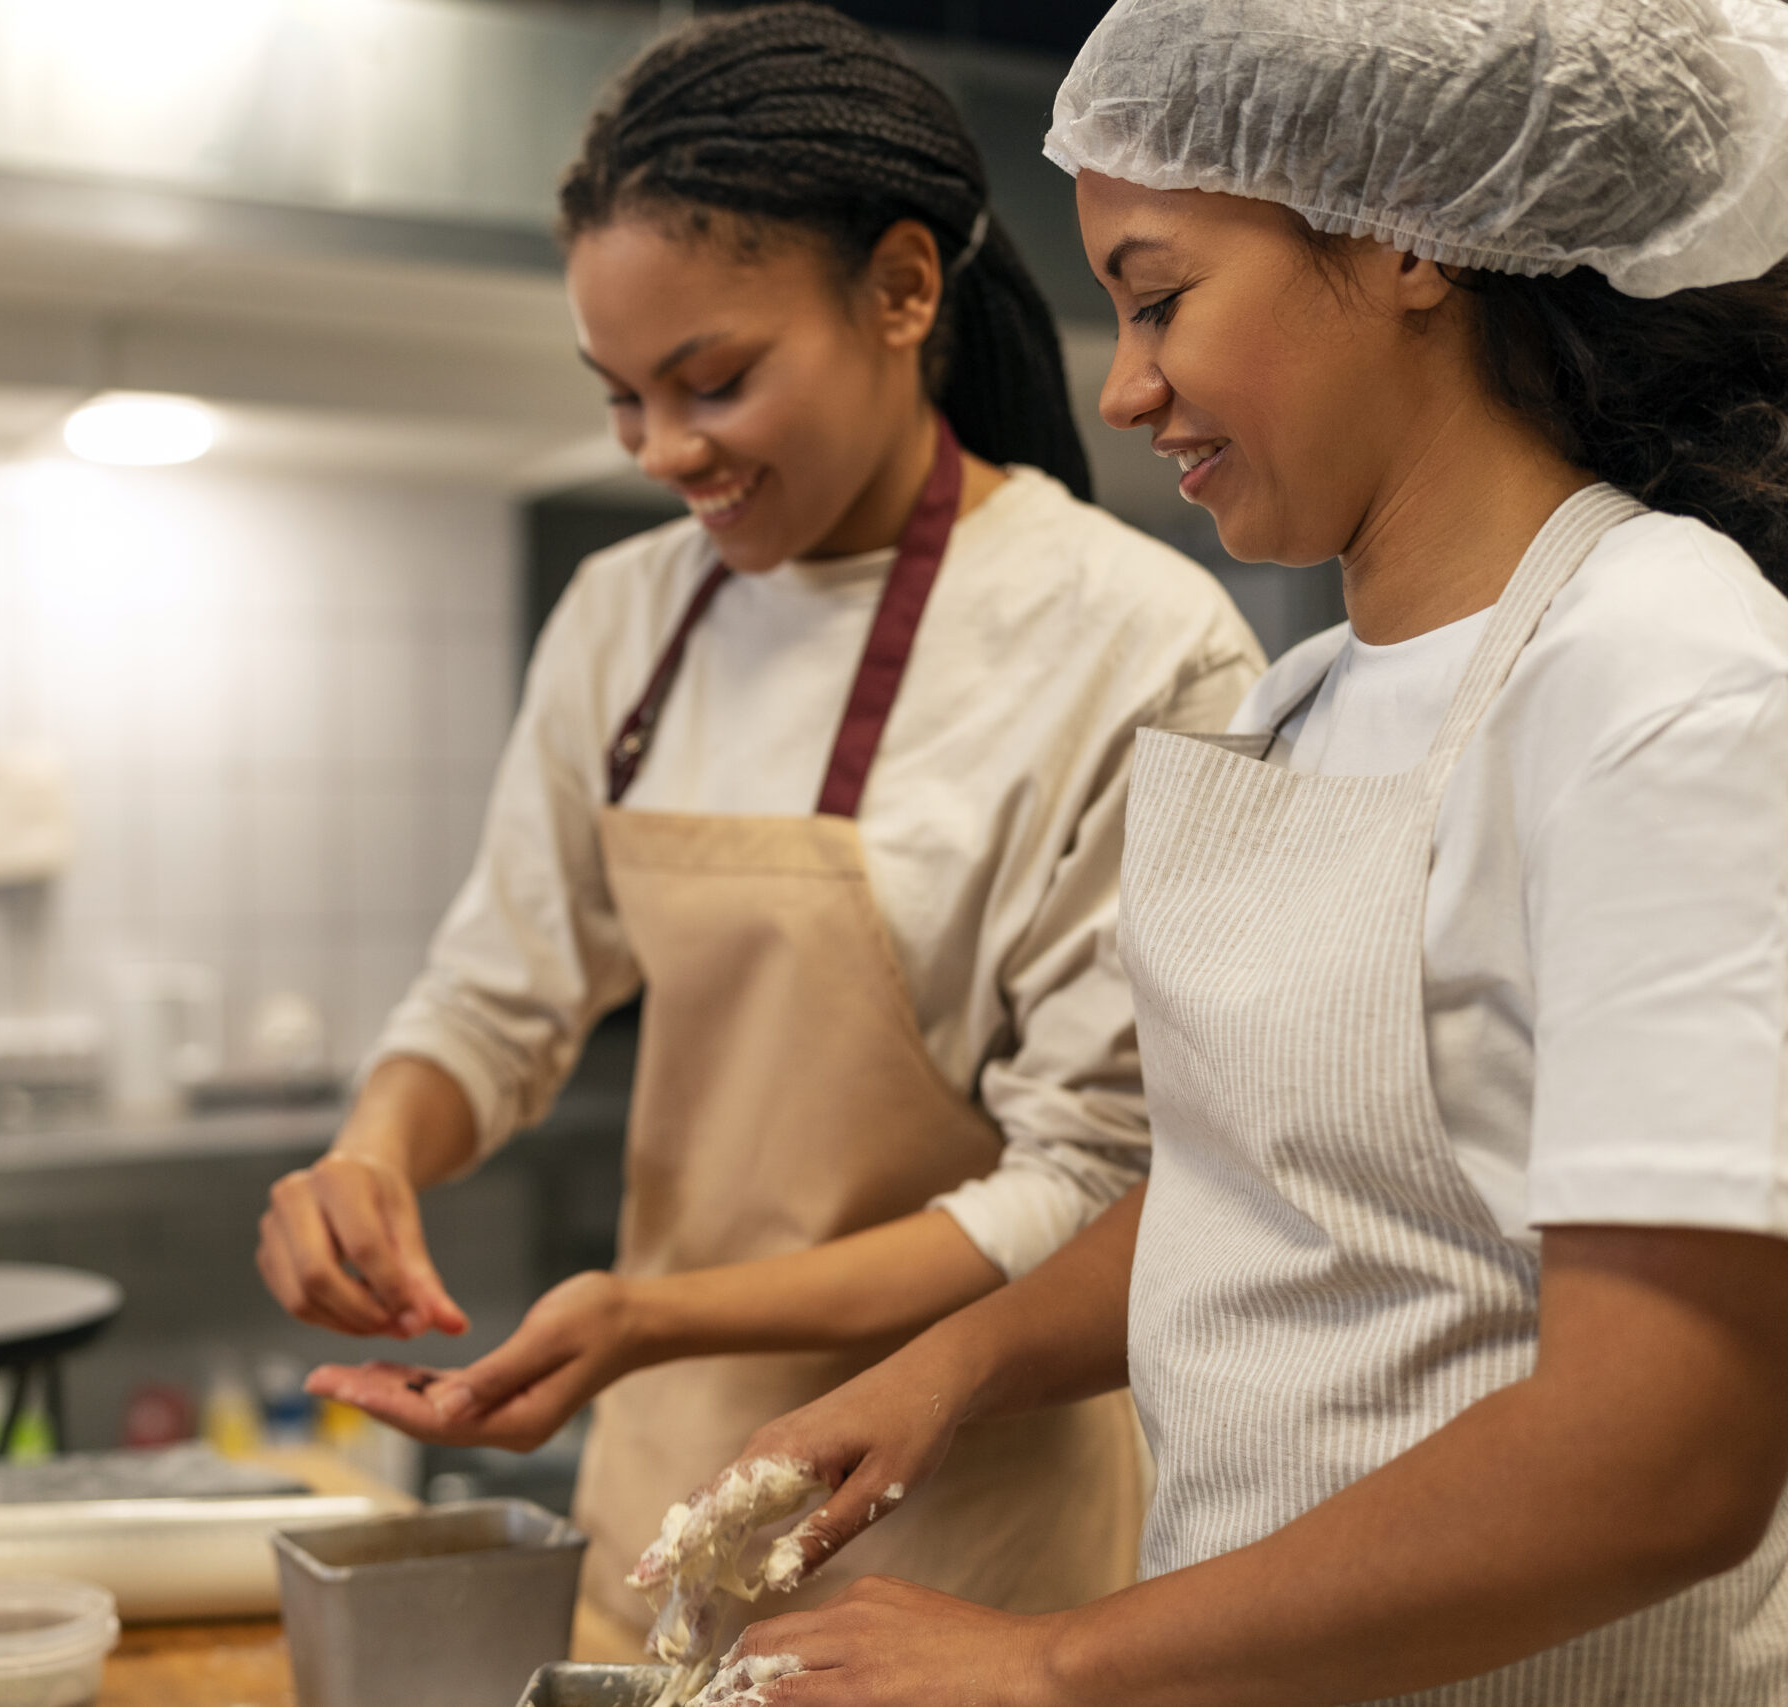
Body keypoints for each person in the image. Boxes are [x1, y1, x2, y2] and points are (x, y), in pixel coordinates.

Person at [683, 0, 1788, 1701]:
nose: (1123, 387)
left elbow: (1668, 1455)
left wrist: (1054, 1664)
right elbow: (1266, 1184)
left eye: (1160, 296)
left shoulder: (1660, 680)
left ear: (1407, 238)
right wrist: (955, 1368)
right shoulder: (1302, 702)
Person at [250, 3, 1263, 1655]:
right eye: (620, 400)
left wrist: (651, 1315)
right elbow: (497, 995)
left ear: (903, 292)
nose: (663, 453)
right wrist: (376, 1150)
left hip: (977, 1546)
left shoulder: (1135, 645)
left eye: (711, 381)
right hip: (665, 1503)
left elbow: (1085, 1187)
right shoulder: (622, 619)